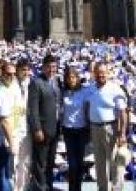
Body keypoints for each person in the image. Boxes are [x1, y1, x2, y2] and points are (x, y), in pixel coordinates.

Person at [85, 61, 128, 191]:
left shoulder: (115, 89)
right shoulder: (90, 88)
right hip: (95, 128)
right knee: (100, 162)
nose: (101, 75)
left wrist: (122, 134)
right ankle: (103, 188)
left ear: (108, 74)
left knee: (115, 161)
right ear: (94, 74)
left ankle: (116, 188)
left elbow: (122, 113)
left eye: (103, 73)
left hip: (111, 128)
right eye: (98, 73)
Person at [28, 53, 60, 190]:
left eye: (54, 67)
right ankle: (40, 187)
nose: (51, 70)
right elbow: (33, 108)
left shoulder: (57, 82)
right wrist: (37, 129)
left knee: (51, 162)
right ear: (43, 67)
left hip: (55, 129)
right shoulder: (36, 83)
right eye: (49, 67)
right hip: (42, 129)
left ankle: (49, 186)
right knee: (40, 163)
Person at [0, 61, 19, 191]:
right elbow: (4, 119)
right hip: (3, 136)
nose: (11, 77)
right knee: (4, 173)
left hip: (2, 134)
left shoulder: (4, 87)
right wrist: (12, 142)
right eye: (8, 74)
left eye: (14, 74)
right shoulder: (1, 92)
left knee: (0, 170)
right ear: (2, 74)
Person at [59, 66, 89, 191]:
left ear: (77, 78)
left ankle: (78, 188)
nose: (71, 80)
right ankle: (72, 188)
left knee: (80, 162)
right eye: (68, 78)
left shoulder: (84, 91)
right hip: (68, 130)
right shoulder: (63, 92)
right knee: (72, 163)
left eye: (73, 77)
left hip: (81, 130)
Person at [14, 57, 33, 190]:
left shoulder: (33, 84)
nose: (25, 73)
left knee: (25, 162)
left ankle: (24, 188)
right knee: (14, 162)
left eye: (27, 70)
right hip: (14, 128)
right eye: (23, 70)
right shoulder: (11, 84)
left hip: (27, 128)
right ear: (17, 71)